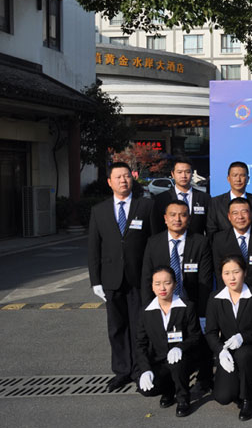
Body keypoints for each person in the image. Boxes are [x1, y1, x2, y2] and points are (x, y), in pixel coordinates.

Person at [88, 161, 154, 391]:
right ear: (109, 182)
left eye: (126, 176)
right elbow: (94, 248)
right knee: (116, 327)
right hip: (111, 278)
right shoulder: (99, 211)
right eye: (118, 177)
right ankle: (122, 371)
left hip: (139, 278)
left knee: (139, 326)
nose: (123, 180)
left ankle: (140, 369)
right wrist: (95, 281)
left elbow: (154, 242)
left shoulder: (146, 206)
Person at [141, 200, 214, 390]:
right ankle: (169, 384)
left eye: (182, 215)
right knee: (166, 344)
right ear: (165, 219)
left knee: (199, 341)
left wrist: (203, 313)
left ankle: (204, 377)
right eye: (173, 215)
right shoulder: (154, 242)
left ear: (189, 218)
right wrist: (148, 309)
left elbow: (205, 281)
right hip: (164, 303)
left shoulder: (200, 242)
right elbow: (147, 278)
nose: (177, 219)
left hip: (191, 302)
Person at [205, 254, 252, 421]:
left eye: (236, 272)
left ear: (245, 272)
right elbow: (211, 332)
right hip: (229, 352)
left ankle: (248, 398)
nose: (232, 277)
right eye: (227, 273)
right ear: (221, 275)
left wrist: (243, 337)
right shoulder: (215, 298)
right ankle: (239, 384)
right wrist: (220, 351)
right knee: (223, 397)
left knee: (244, 354)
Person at [136, 266, 201, 417]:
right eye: (157, 284)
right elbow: (140, 344)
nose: (162, 288)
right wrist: (145, 369)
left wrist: (180, 347)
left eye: (167, 283)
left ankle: (183, 398)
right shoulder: (146, 312)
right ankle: (168, 390)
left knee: (177, 363)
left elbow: (195, 336)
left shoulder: (187, 307)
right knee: (146, 388)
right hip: (159, 361)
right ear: (152, 286)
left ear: (175, 284)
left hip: (184, 359)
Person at [211, 197, 252, 306]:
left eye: (244, 212)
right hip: (232, 297)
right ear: (229, 216)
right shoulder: (220, 239)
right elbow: (219, 273)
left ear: (251, 214)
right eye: (235, 213)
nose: (240, 217)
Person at [152, 156, 210, 236]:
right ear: (173, 174)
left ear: (192, 174)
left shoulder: (204, 198)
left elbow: (209, 227)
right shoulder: (161, 199)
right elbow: (157, 227)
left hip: (198, 242)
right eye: (179, 172)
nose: (183, 176)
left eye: (187, 172)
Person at [207, 162, 252, 238]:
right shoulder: (215, 202)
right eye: (235, 175)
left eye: (242, 175)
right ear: (228, 178)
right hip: (223, 244)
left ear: (248, 179)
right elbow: (211, 231)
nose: (238, 179)